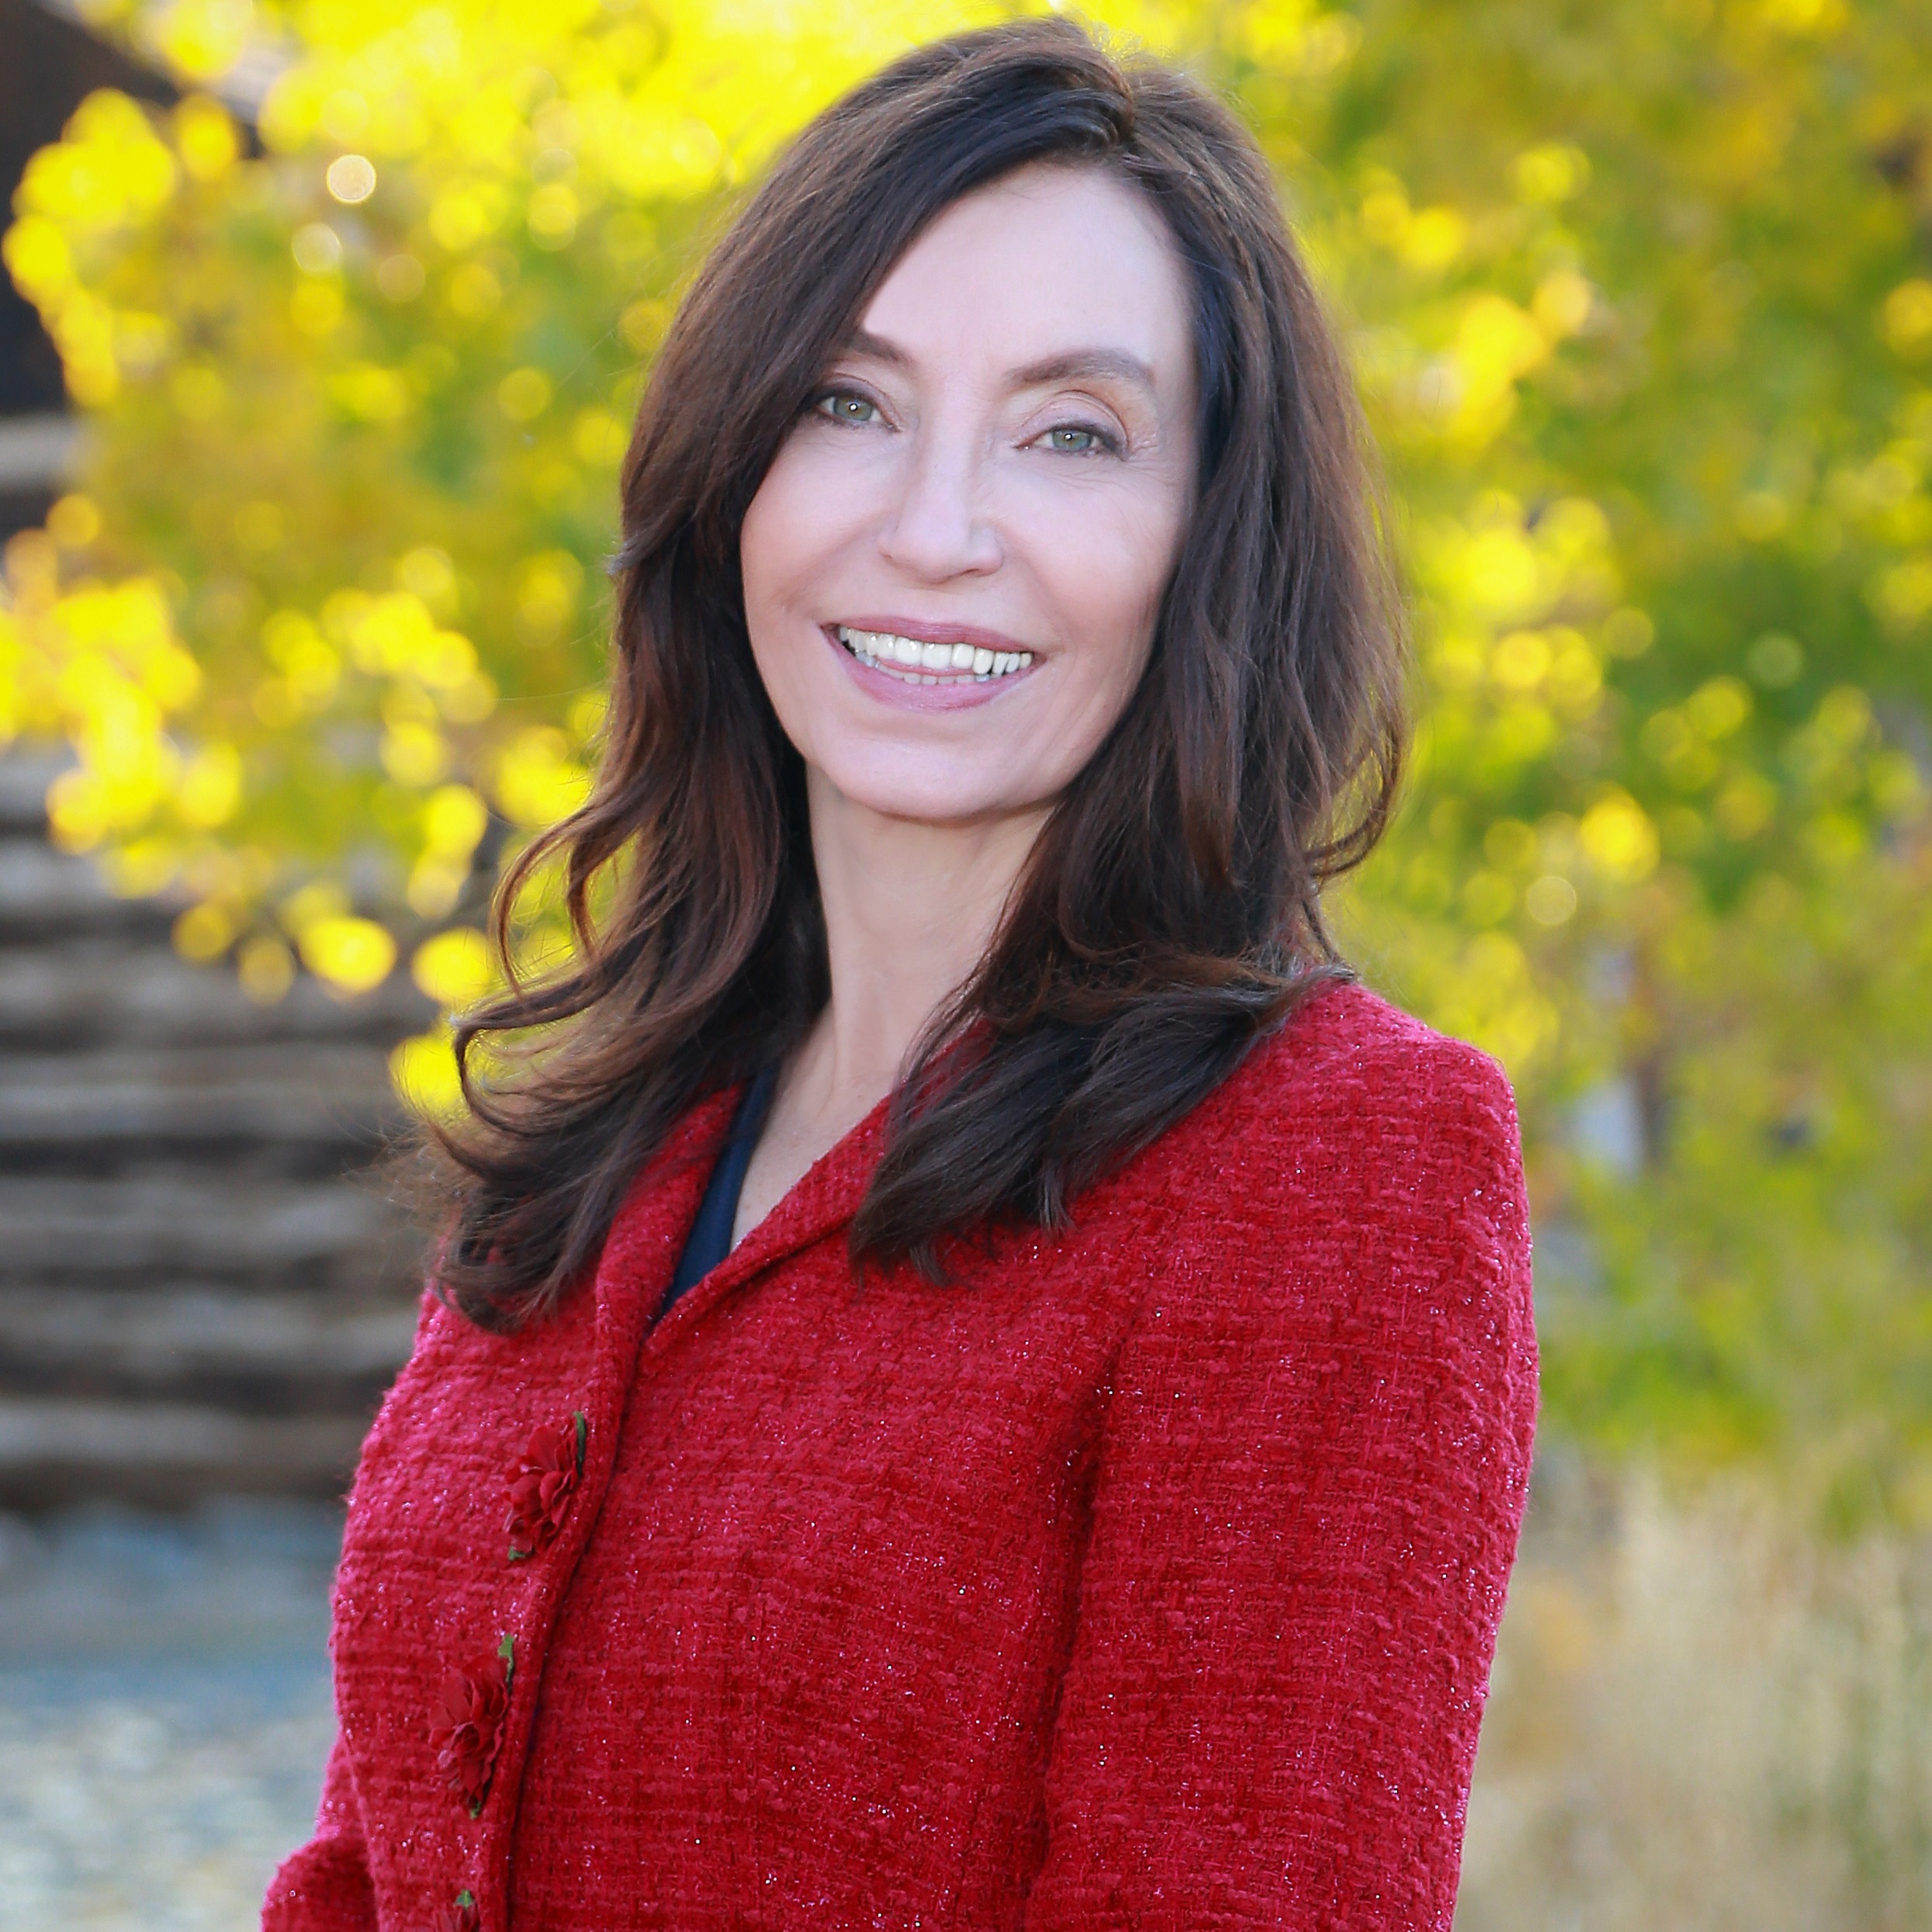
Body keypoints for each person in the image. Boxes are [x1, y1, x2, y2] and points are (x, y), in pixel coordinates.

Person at [265, 19, 1537, 1931]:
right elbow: (374, 1873)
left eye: (1073, 434)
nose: (934, 532)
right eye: (847, 404)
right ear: (733, 481)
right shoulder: (619, 1138)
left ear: (1212, 544)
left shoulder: (1339, 1162)